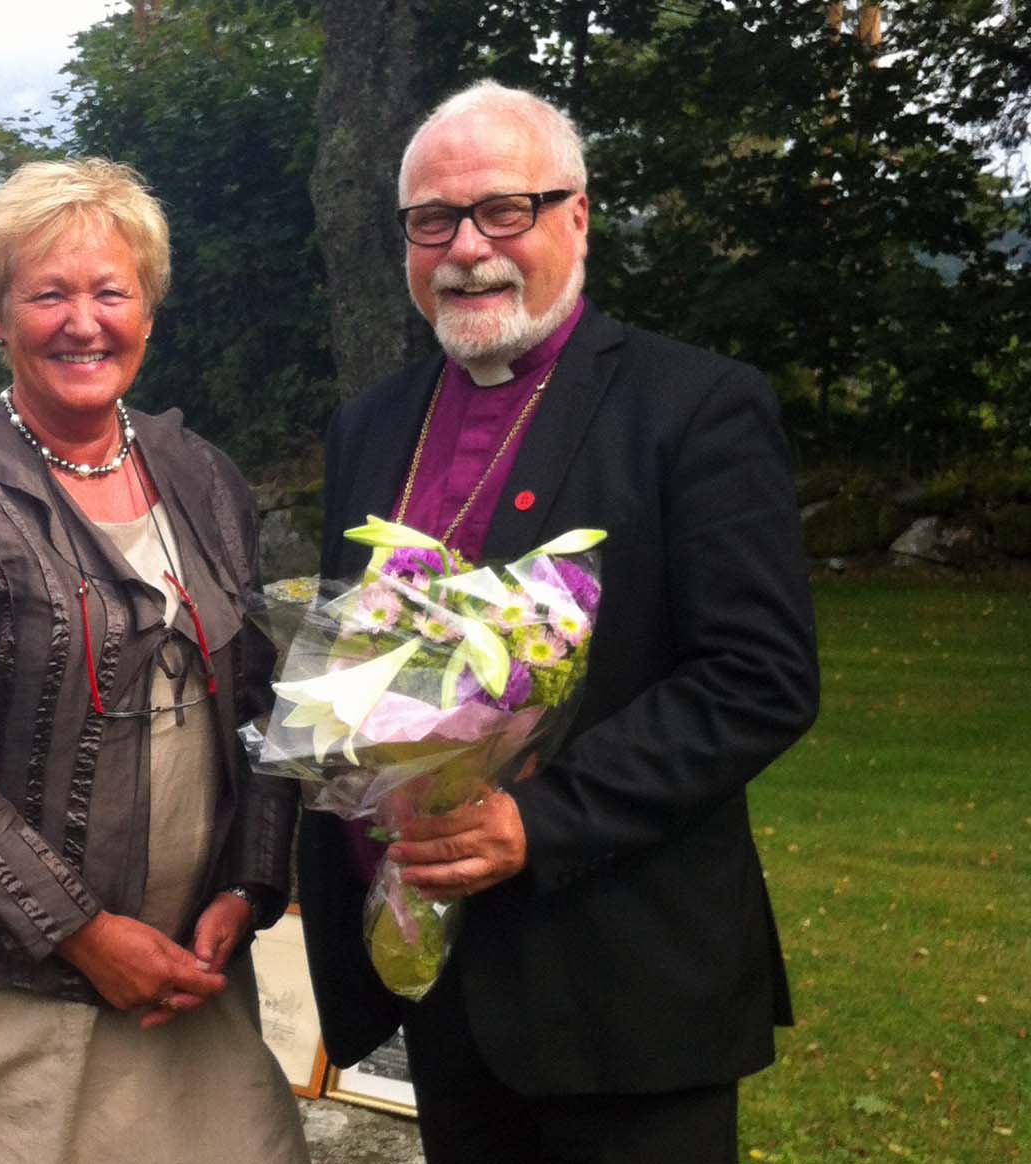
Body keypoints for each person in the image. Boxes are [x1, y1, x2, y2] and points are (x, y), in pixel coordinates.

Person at [298, 81, 820, 1164]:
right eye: (432, 220)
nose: (466, 249)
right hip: (438, 985)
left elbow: (758, 677)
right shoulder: (372, 424)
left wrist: (541, 820)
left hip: (623, 995)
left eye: (503, 209)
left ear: (576, 216)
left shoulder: (694, 405)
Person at [0, 159, 308, 1164]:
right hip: (9, 991)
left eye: (111, 292)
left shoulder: (203, 475)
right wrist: (82, 933)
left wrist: (249, 885)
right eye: (47, 295)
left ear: (147, 309)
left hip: (190, 980)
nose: (83, 323)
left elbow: (266, 707)